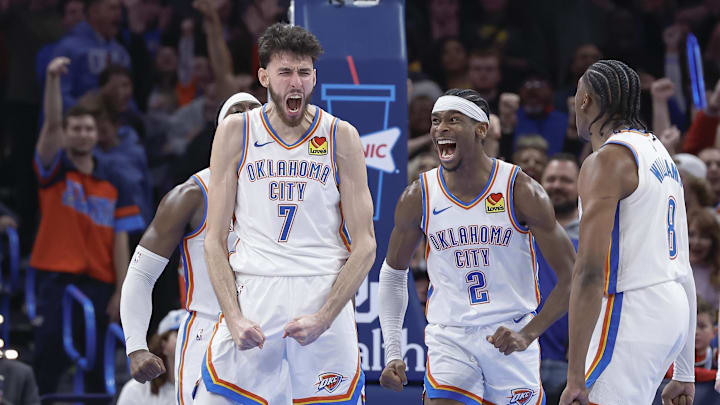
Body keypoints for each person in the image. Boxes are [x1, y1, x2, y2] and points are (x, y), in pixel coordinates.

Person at [195, 23, 376, 404]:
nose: (295, 82)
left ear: (314, 78)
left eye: (304, 72)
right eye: (285, 72)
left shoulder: (341, 136)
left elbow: (365, 246)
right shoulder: (236, 132)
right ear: (263, 77)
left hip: (321, 289)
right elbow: (213, 241)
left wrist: (325, 317)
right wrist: (233, 316)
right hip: (256, 291)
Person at [378, 88, 575, 404]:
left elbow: (572, 277)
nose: (441, 128)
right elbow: (392, 273)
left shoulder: (520, 189)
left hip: (510, 333)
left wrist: (528, 333)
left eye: (453, 120)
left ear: (481, 129)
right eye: (436, 120)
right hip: (450, 336)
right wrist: (392, 351)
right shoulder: (419, 195)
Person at [559, 60, 696, 405]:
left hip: (631, 309)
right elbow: (684, 267)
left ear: (586, 100)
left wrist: (575, 377)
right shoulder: (659, 153)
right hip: (671, 308)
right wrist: (685, 370)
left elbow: (589, 271)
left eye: (576, 94)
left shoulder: (606, 161)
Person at [120, 92, 260, 405]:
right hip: (208, 332)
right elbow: (141, 273)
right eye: (238, 112)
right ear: (220, 128)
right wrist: (136, 345)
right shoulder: (192, 194)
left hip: (270, 333)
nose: (248, 118)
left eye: (256, 111)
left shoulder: (290, 195)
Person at [31, 56, 144, 394]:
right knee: (47, 362)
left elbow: (121, 239)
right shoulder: (54, 172)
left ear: (98, 135)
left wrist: (121, 291)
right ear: (66, 135)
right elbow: (50, 126)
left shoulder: (115, 181)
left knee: (98, 367)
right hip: (55, 280)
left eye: (88, 129)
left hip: (98, 282)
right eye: (75, 128)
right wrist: (53, 80)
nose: (82, 134)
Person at [537, 154, 581, 403]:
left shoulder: (598, 237)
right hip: (524, 357)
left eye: (565, 180)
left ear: (580, 186)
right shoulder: (523, 232)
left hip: (576, 365)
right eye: (551, 179)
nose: (556, 186)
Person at [117, 309, 186, 405]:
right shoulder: (136, 390)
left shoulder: (204, 387)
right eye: (179, 332)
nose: (188, 340)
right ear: (163, 345)